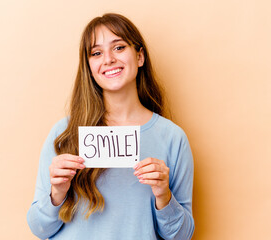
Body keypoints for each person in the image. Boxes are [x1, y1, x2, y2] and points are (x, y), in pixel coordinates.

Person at [27, 13, 194, 240]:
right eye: (96, 53)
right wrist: (57, 193)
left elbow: (181, 236)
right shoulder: (64, 134)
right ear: (89, 66)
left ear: (140, 56)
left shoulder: (172, 138)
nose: (108, 59)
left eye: (118, 48)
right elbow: (39, 229)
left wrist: (163, 195)